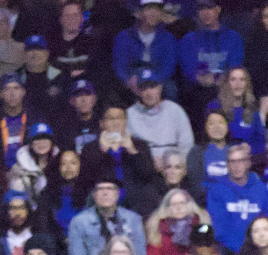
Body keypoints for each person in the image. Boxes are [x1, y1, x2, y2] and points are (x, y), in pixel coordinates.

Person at [77, 105, 157, 215]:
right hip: (104, 197)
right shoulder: (90, 148)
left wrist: (132, 150)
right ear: (102, 123)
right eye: (111, 119)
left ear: (125, 122)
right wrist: (102, 151)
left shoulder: (139, 145)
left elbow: (148, 175)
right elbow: (86, 180)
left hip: (135, 198)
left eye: (119, 118)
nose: (116, 122)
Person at [178, 1, 244, 130]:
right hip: (198, 87)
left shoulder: (233, 37)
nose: (206, 12)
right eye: (201, 9)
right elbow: (188, 68)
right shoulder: (189, 39)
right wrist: (200, 78)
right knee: (196, 95)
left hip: (226, 84)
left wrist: (221, 79)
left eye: (209, 8)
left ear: (218, 9)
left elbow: (235, 65)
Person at [67, 178, 146, 255]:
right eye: (100, 189)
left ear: (117, 194)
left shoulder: (133, 219)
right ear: (94, 195)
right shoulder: (79, 222)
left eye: (109, 189)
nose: (105, 193)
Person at [207, 143, 268, 254]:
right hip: (229, 250)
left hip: (260, 249)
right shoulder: (216, 190)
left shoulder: (261, 189)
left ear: (248, 163)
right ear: (227, 165)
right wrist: (242, 252)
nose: (237, 166)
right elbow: (219, 229)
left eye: (241, 161)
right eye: (232, 161)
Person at [125, 70, 194, 167]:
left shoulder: (175, 110)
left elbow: (187, 144)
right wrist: (149, 162)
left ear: (160, 87)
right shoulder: (130, 114)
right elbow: (127, 146)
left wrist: (170, 163)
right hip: (143, 167)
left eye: (152, 87)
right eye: (144, 88)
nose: (149, 92)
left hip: (173, 166)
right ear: (139, 91)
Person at [145, 187, 212, 255]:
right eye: (174, 204)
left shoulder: (201, 226)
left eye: (182, 203)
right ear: (167, 208)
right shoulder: (157, 229)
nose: (178, 207)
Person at [112, 1, 177, 97]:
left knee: (171, 89)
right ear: (138, 12)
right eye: (149, 8)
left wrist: (154, 84)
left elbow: (168, 67)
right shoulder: (124, 36)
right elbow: (120, 65)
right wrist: (128, 81)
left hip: (157, 79)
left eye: (157, 9)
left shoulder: (168, 38)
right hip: (133, 77)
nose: (153, 13)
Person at [0, 73, 35, 172]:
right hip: (1, 173)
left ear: (23, 92)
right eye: (7, 89)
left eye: (16, 88)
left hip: (29, 170)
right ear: (1, 94)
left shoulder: (34, 118)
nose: (12, 93)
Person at [34, 149, 85, 248]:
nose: (68, 167)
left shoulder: (91, 193)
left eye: (73, 163)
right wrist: (62, 239)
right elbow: (44, 228)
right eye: (63, 164)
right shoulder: (47, 194)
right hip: (58, 247)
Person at [211, 67, 266, 159]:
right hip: (222, 157)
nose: (238, 84)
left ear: (247, 84)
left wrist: (250, 148)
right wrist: (234, 148)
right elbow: (210, 140)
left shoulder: (253, 108)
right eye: (233, 79)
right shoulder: (215, 107)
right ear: (226, 83)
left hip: (249, 159)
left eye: (242, 79)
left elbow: (261, 142)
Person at [186, 109, 230, 206]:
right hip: (206, 203)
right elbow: (196, 186)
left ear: (227, 126)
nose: (217, 127)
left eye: (221, 122)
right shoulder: (197, 152)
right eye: (211, 124)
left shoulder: (235, 151)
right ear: (205, 127)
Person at [8, 122, 59, 207]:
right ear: (31, 143)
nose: (42, 143)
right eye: (37, 138)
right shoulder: (18, 168)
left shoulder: (61, 162)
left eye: (45, 138)